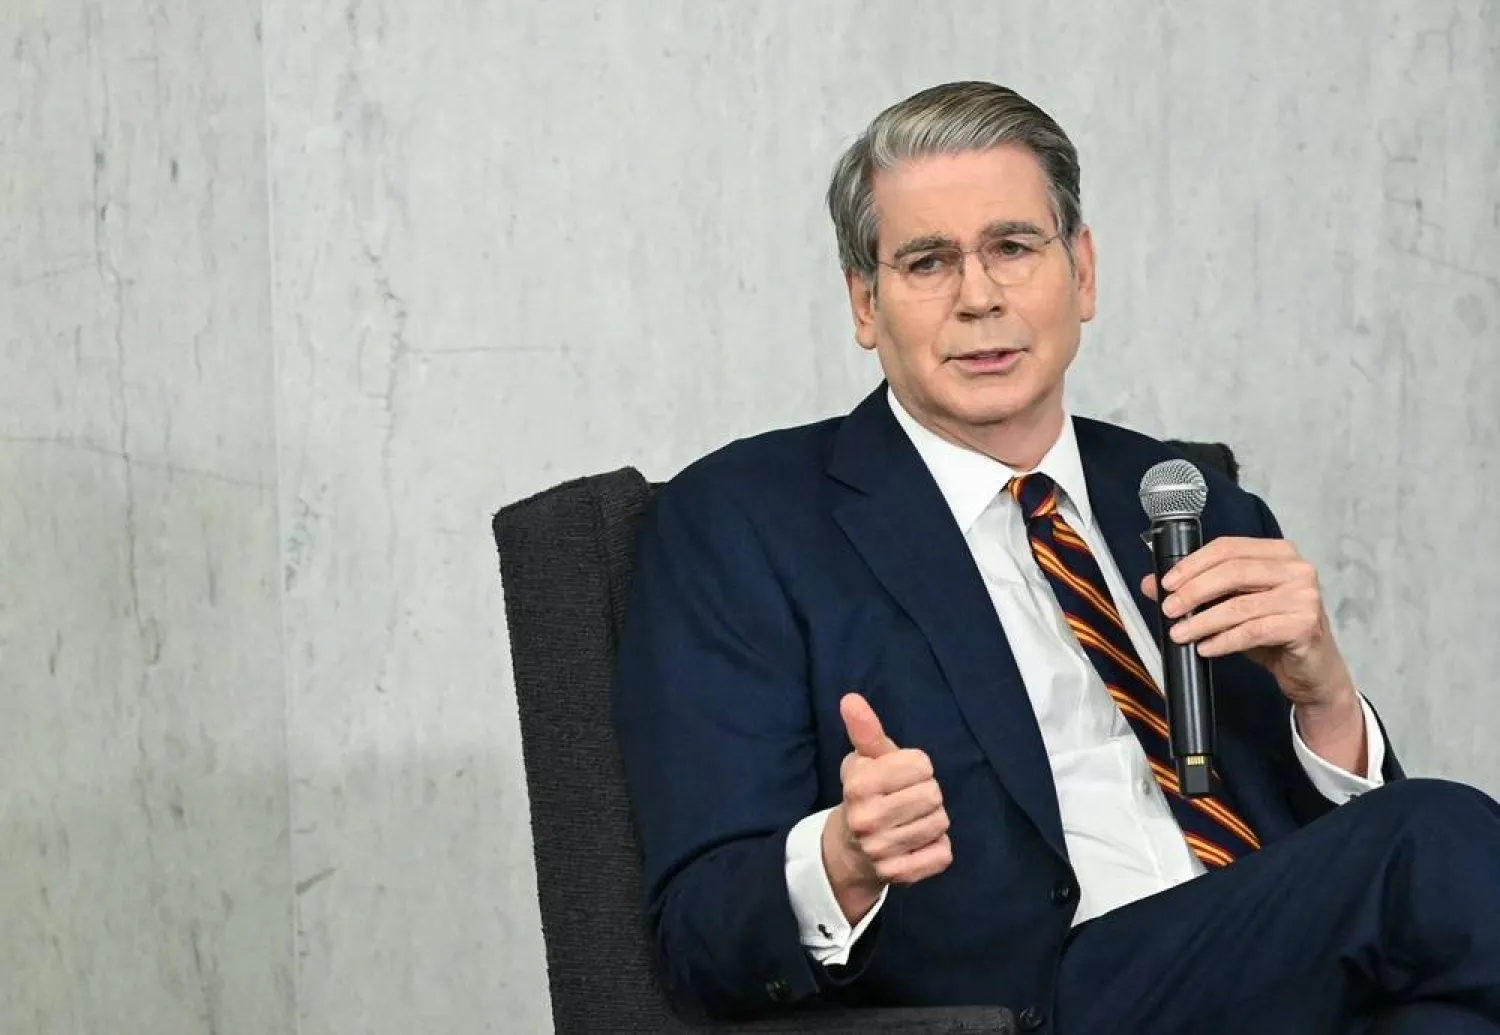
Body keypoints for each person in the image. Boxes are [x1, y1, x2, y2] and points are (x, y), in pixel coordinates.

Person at [611, 81, 1500, 1034]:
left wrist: (1325, 701)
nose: (980, 296)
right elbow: (697, 935)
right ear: (865, 303)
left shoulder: (1185, 492)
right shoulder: (746, 519)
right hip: (1039, 1001)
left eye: (1012, 246)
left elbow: (1364, 890)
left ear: (1081, 271)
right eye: (926, 262)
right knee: (1435, 829)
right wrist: (839, 859)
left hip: (1277, 980)